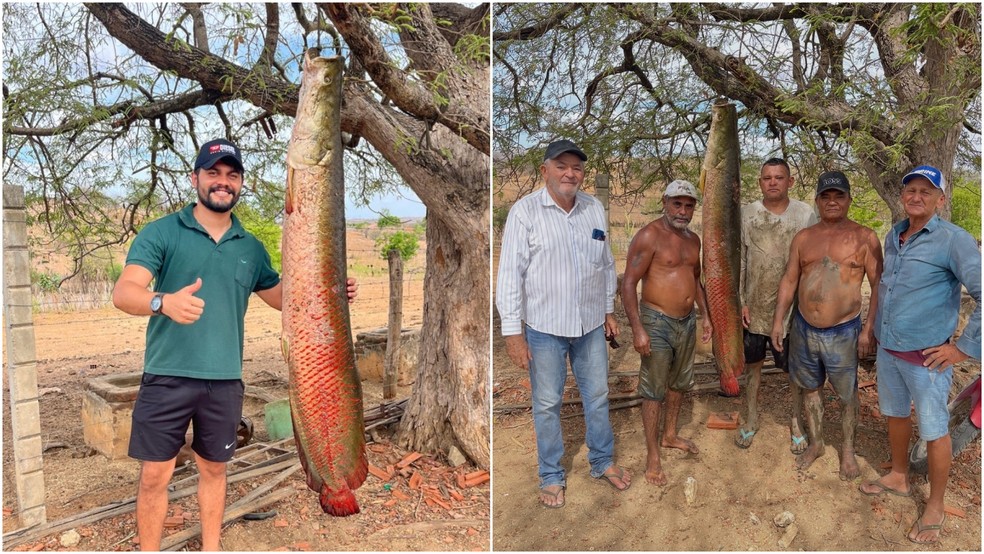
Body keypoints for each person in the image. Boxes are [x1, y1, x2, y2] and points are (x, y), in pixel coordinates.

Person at [112, 138, 357, 551]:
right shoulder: (162, 233)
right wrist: (162, 301)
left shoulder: (251, 247)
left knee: (214, 470)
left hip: (224, 381)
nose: (222, 182)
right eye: (213, 173)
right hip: (167, 377)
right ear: (196, 179)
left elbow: (284, 300)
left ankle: (211, 547)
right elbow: (124, 292)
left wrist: (329, 291)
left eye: (231, 175)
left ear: (240, 183)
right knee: (155, 475)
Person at [496, 139, 631, 509]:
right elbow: (510, 276)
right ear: (544, 171)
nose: (570, 173)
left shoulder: (593, 208)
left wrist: (607, 310)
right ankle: (551, 475)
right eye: (561, 166)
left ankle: (601, 461)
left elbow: (604, 264)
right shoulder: (524, 213)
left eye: (576, 168)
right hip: (544, 328)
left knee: (598, 395)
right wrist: (512, 333)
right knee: (546, 402)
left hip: (589, 325)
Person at [858, 165, 980, 544]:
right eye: (910, 189)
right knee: (894, 415)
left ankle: (936, 504)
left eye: (926, 191)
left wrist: (962, 348)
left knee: (933, 430)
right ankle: (898, 475)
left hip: (928, 359)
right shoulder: (894, 235)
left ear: (941, 199)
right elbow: (888, 288)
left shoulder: (953, 240)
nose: (916, 196)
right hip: (891, 350)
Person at [770, 170, 882, 479]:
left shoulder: (865, 237)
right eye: (825, 196)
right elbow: (790, 280)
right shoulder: (805, 238)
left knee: (847, 395)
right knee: (810, 389)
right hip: (805, 328)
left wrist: (868, 328)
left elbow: (878, 286)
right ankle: (817, 442)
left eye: (839, 196)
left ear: (849, 200)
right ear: (817, 201)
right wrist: (779, 320)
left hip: (844, 331)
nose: (832, 201)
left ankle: (847, 450)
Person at [621, 180, 712, 486]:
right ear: (665, 201)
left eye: (688, 205)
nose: (682, 211)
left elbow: (695, 280)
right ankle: (652, 455)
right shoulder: (650, 235)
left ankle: (670, 435)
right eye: (677, 204)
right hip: (656, 321)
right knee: (653, 389)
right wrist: (637, 329)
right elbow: (628, 282)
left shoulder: (693, 240)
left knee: (679, 383)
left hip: (686, 322)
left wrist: (706, 315)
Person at [735, 158, 817, 451]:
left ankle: (795, 420)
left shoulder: (805, 215)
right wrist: (741, 301)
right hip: (754, 309)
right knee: (753, 366)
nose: (773, 182)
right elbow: (741, 260)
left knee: (791, 369)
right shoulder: (748, 214)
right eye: (767, 177)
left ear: (790, 181)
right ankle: (752, 418)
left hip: (792, 313)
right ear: (760, 182)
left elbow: (812, 262)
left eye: (779, 177)